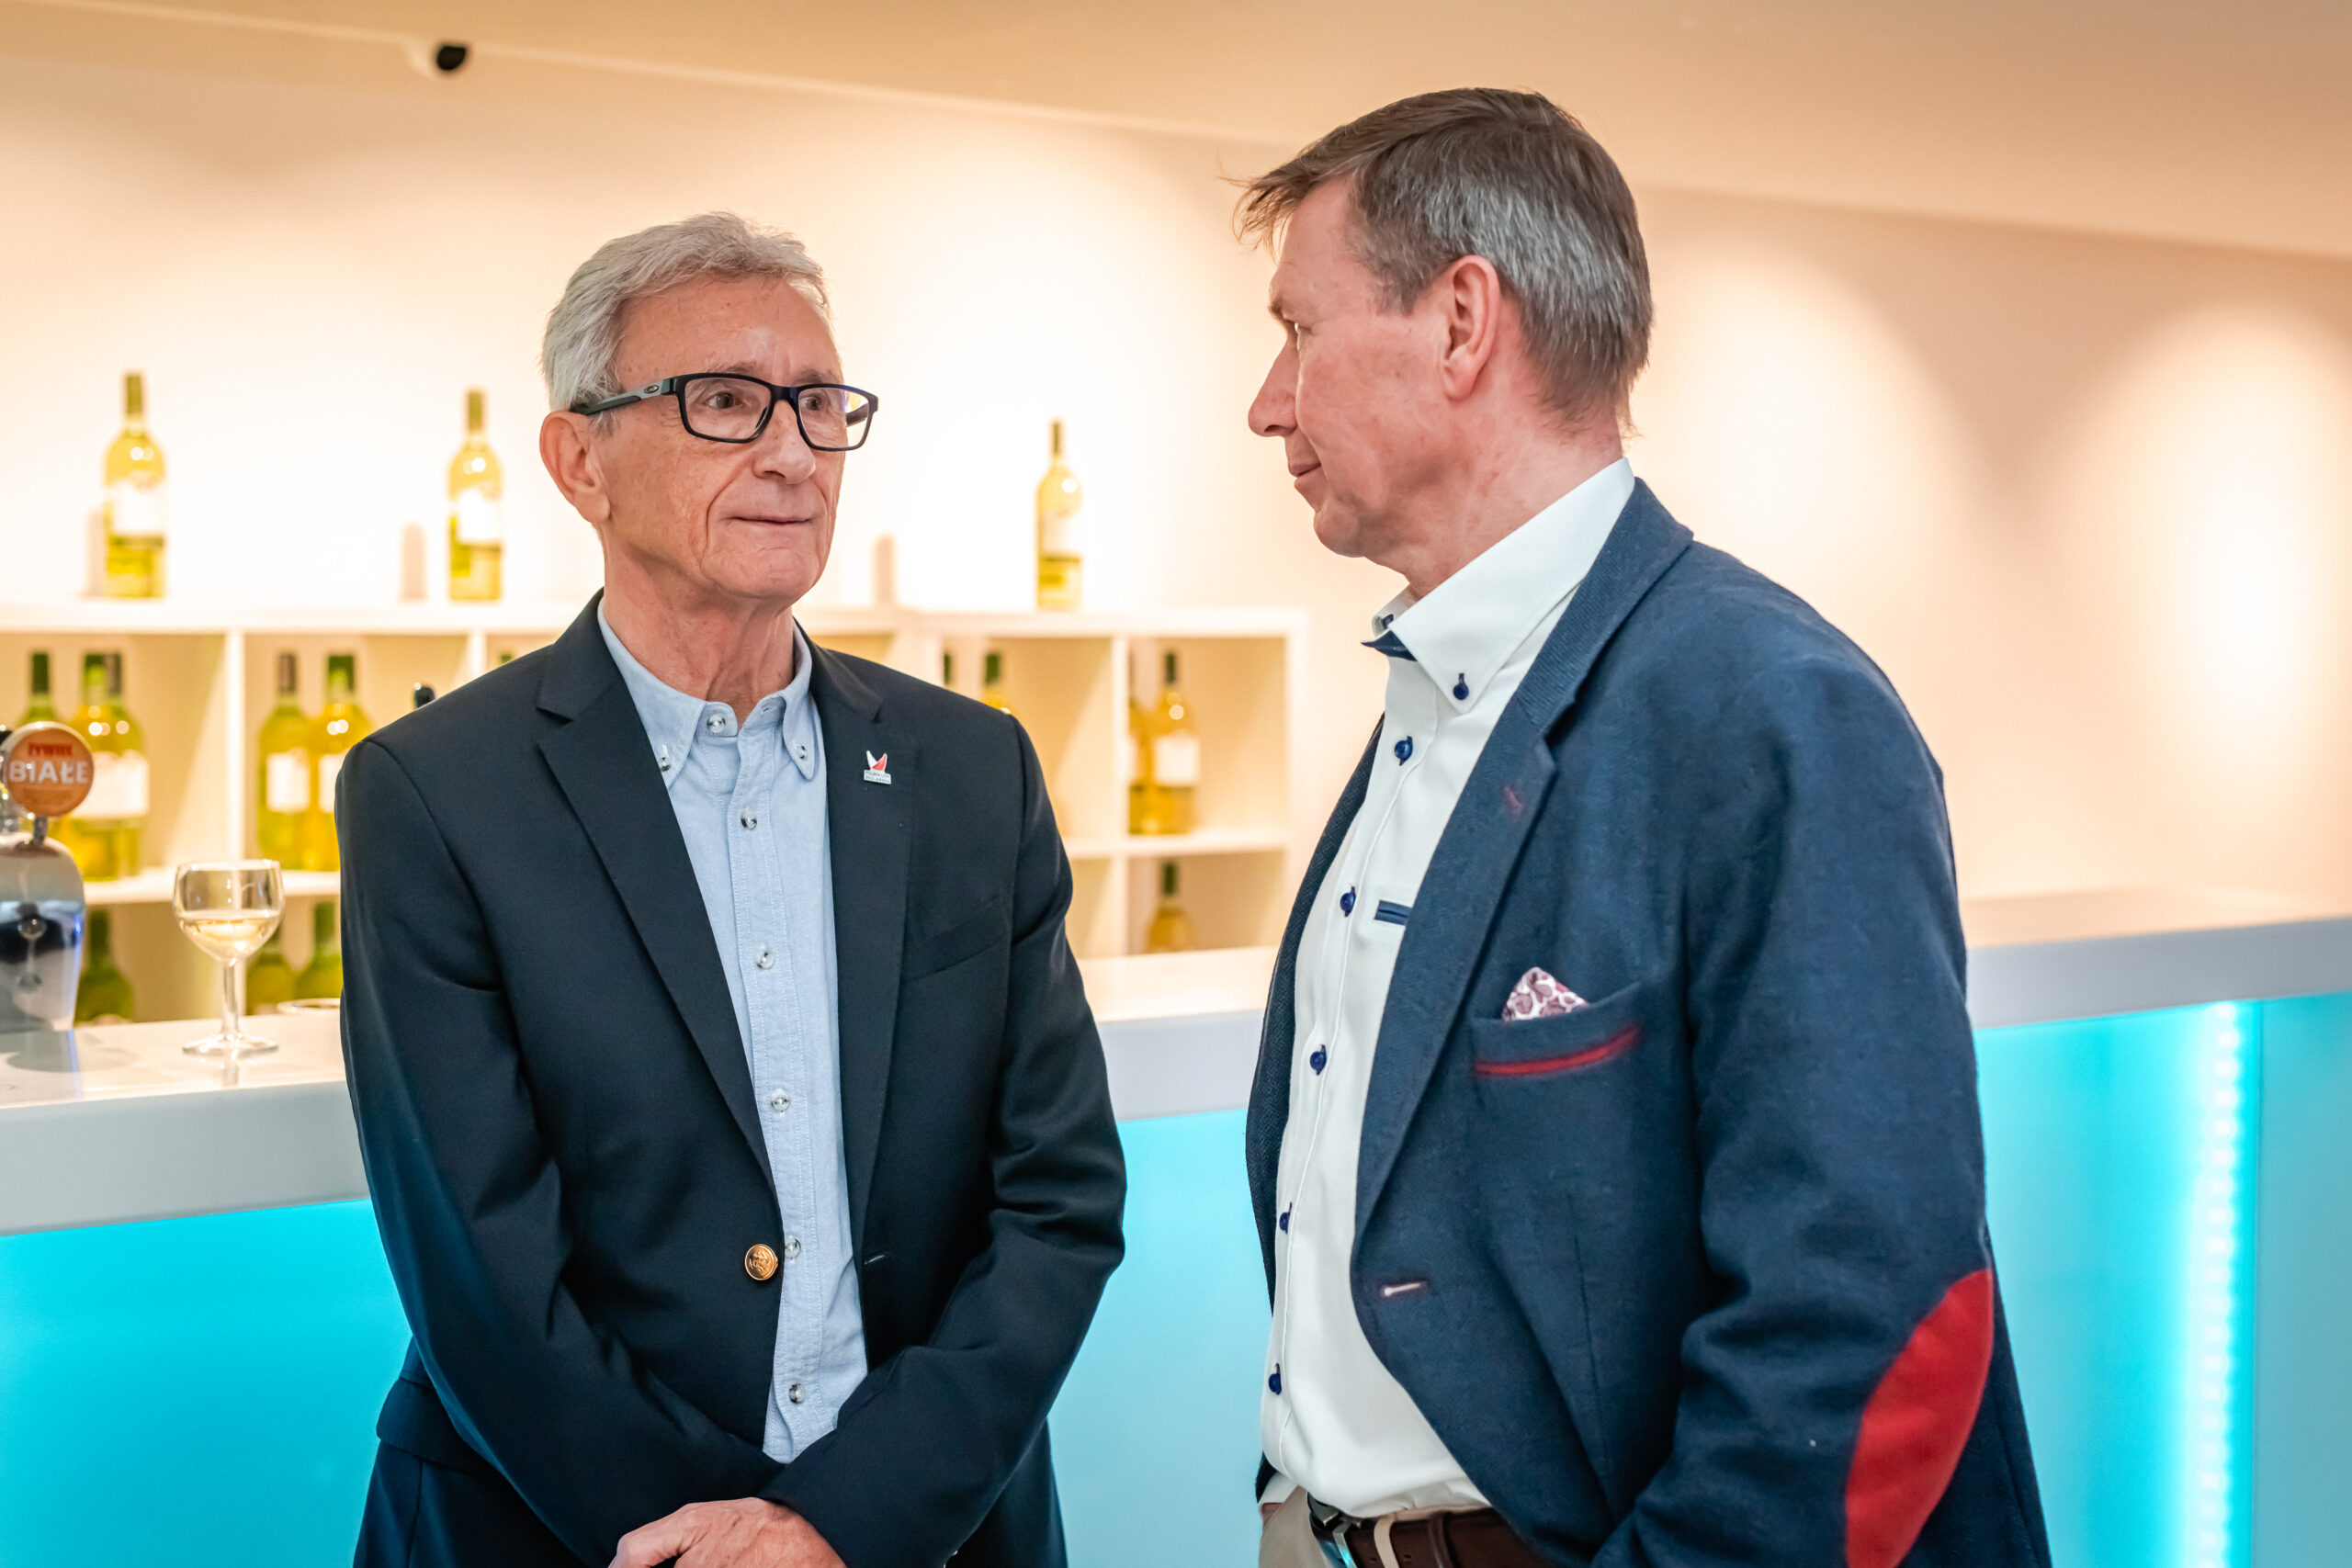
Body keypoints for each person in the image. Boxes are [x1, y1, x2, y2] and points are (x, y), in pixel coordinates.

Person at [1239, 91, 2050, 1568]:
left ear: (1462, 323)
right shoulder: (1437, 690)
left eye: (1299, 330)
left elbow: (1869, 1324)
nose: (1268, 402)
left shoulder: (1774, 711)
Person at [337, 212, 1124, 1568]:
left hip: (922, 1530)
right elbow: (479, 1266)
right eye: (724, 402)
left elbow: (1058, 1197)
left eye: (820, 406)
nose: (792, 451)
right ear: (579, 461)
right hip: (565, 1528)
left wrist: (841, 1522)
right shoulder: (436, 792)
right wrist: (726, 1549)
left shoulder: (971, 769)